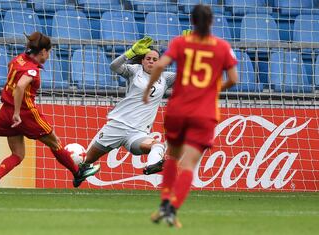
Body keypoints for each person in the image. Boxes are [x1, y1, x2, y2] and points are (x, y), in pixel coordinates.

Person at [143, 4, 238, 228]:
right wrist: (214, 88)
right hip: (204, 113)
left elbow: (160, 66)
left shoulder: (180, 42)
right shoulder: (223, 47)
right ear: (211, 22)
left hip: (178, 109)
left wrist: (148, 90)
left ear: (192, 22)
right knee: (188, 165)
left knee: (172, 157)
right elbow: (234, 79)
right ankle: (172, 209)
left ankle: (164, 202)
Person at [0, 32, 100, 195]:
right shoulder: (32, 70)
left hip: (5, 112)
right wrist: (17, 112)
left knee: (17, 154)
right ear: (43, 52)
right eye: (49, 52)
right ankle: (77, 173)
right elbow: (19, 87)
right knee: (55, 142)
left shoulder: (17, 59)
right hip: (25, 114)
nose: (49, 55)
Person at [82, 36, 176, 176]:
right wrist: (130, 52)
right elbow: (114, 66)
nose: (151, 61)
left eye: (155, 59)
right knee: (86, 161)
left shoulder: (165, 78)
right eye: (148, 58)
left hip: (138, 133)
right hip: (117, 127)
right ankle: (80, 174)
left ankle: (152, 166)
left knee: (158, 146)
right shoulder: (134, 71)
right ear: (143, 61)